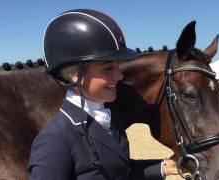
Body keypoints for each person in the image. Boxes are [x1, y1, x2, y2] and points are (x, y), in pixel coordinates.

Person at [28, 9, 177, 180]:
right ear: (74, 74)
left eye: (118, 66)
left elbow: (119, 170)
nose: (120, 76)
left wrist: (161, 168)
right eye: (108, 69)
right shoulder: (54, 140)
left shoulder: (111, 117)